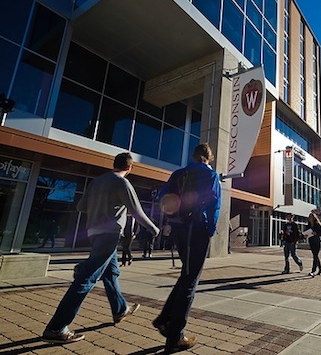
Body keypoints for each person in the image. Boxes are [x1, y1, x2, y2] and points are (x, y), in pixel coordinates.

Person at [42, 152, 160, 344]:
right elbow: (136, 210)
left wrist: (99, 207)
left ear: (114, 164)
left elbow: (80, 206)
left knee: (111, 273)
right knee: (86, 278)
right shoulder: (122, 183)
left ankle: (120, 309)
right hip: (110, 234)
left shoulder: (96, 182)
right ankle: (56, 327)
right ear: (129, 168)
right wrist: (154, 229)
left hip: (93, 233)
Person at [153, 143, 221, 354]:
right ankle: (175, 337)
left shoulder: (178, 174)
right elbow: (214, 203)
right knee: (190, 281)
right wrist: (210, 230)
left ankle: (164, 319)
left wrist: (172, 222)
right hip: (197, 231)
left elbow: (163, 198)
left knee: (186, 274)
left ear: (193, 156)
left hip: (179, 230)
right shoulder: (210, 175)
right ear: (208, 158)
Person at [305, 212, 321, 277]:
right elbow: (305, 233)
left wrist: (316, 233)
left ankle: (313, 271)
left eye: (311, 217)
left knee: (315, 256)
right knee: (315, 256)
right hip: (311, 241)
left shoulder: (318, 225)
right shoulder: (308, 225)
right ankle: (320, 269)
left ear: (314, 218)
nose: (310, 218)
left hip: (317, 241)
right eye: (309, 217)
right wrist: (305, 235)